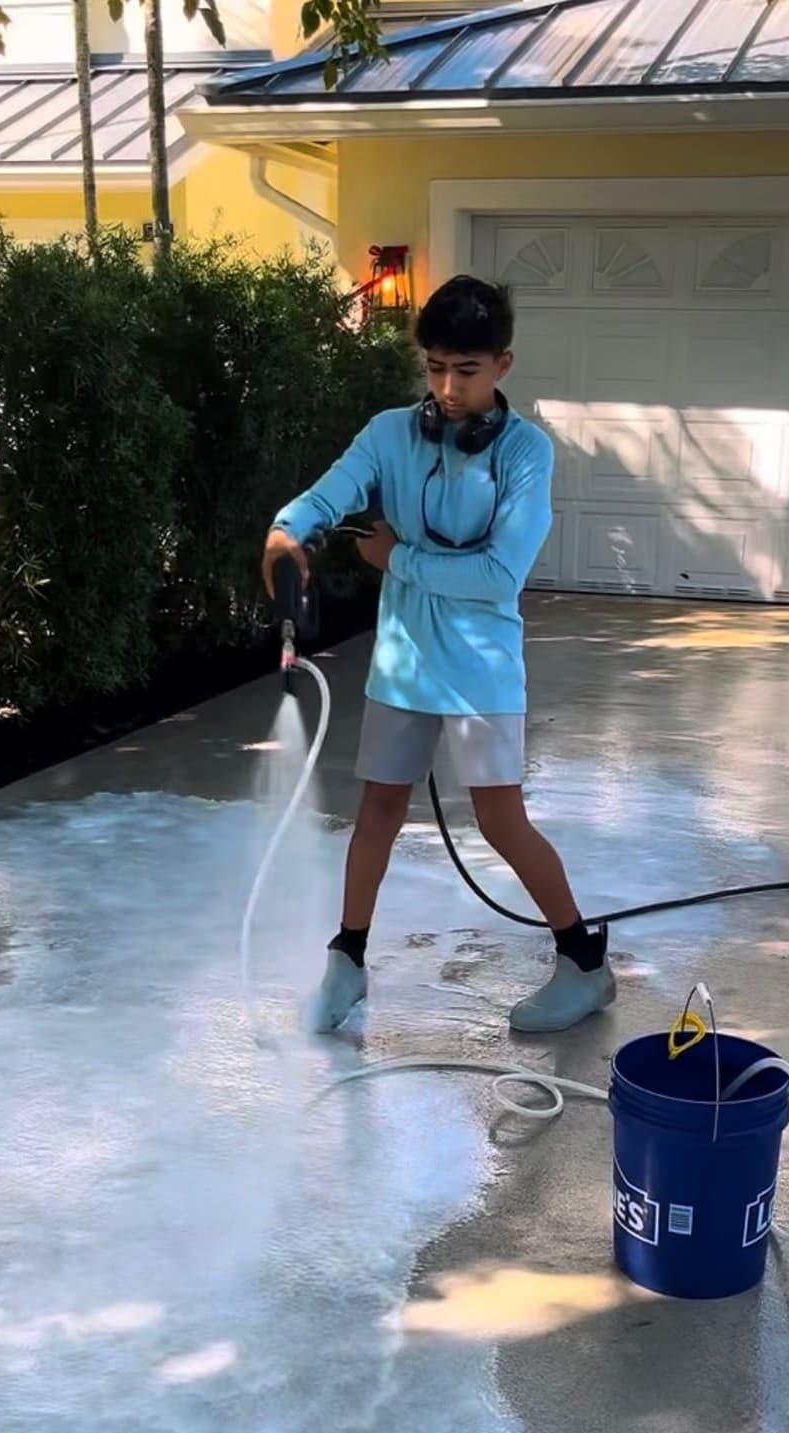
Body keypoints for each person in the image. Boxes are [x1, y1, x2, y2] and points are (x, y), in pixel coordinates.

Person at [261, 274, 615, 1035]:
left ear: (503, 366)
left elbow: (499, 574)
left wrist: (397, 561)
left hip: (483, 661)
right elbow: (328, 495)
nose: (448, 389)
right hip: (402, 658)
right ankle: (348, 960)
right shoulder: (390, 433)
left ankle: (583, 962)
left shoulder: (526, 454)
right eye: (434, 368)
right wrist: (287, 533)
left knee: (501, 818)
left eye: (467, 370)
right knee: (378, 810)